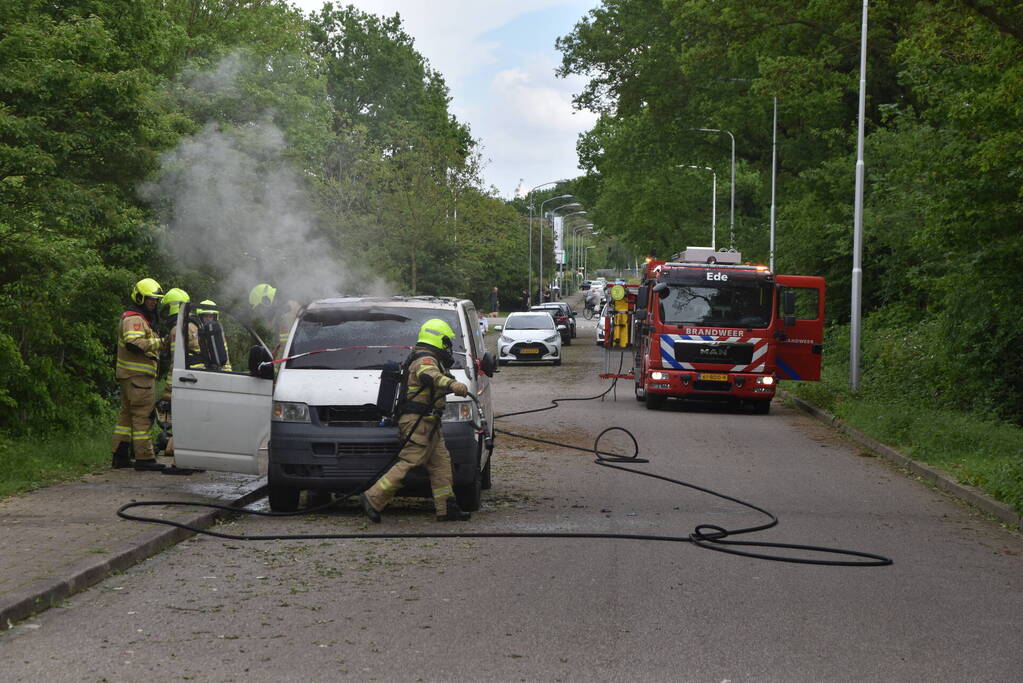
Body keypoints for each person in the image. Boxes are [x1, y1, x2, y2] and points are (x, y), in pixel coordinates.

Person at [360, 319, 472, 523]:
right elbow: (428, 376)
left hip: (429, 422)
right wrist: (452, 384)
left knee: (440, 464)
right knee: (411, 460)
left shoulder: (426, 356)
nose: (448, 347)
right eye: (446, 342)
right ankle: (373, 497)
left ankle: (446, 508)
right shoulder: (425, 360)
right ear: (438, 339)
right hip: (417, 422)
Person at [112, 278, 165, 471]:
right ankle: (145, 458)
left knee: (125, 418)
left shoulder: (138, 318)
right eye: (150, 299)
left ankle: (121, 455)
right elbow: (133, 344)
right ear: (140, 297)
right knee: (143, 415)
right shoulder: (135, 318)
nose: (154, 302)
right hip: (138, 378)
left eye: (156, 299)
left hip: (130, 376)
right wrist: (160, 343)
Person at [156, 288, 201, 475]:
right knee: (195, 421)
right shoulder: (193, 325)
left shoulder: (178, 329)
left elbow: (176, 362)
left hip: (188, 381)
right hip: (199, 379)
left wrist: (168, 389)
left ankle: (182, 463)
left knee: (184, 421)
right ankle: (195, 460)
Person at [249, 283, 301, 358]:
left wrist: (275, 366)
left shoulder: (286, 313)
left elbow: (285, 347)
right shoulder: (282, 311)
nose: (260, 310)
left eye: (260, 306)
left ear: (266, 300)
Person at [196, 300, 232, 371]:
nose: (208, 319)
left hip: (221, 370)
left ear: (215, 317)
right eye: (205, 316)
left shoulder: (217, 332)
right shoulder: (196, 331)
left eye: (211, 316)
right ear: (200, 317)